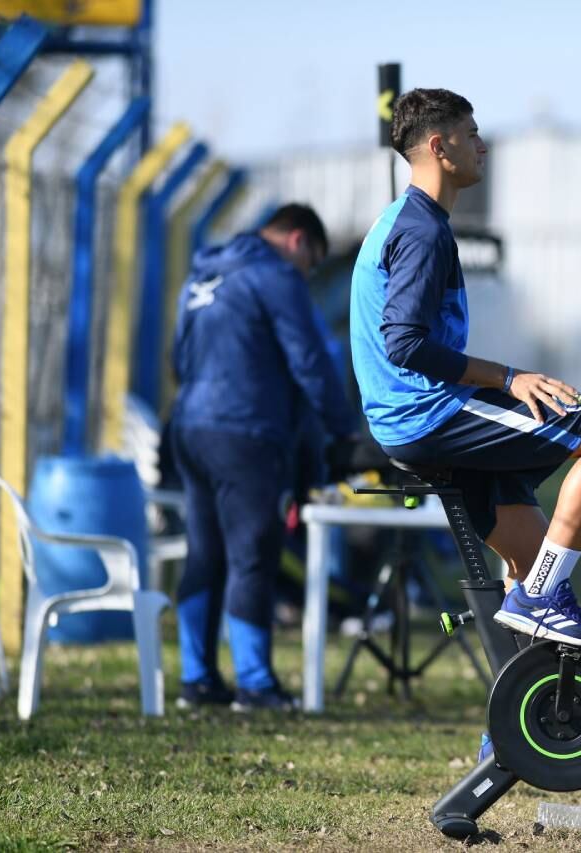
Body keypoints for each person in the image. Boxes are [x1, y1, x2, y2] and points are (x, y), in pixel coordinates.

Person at [350, 87, 581, 653]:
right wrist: (508, 378)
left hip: (415, 419)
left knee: (536, 562)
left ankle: (508, 738)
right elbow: (405, 344)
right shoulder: (421, 230)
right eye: (472, 134)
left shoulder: (408, 221)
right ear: (439, 145)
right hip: (426, 415)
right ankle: (540, 602)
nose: (483, 146)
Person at [169, 204, 357, 711]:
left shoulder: (202, 274)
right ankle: (254, 685)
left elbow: (177, 360)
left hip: (189, 427)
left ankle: (198, 680)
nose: (308, 274)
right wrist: (344, 432)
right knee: (252, 555)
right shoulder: (275, 275)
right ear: (298, 240)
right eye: (312, 262)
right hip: (245, 432)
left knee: (204, 554)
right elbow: (311, 361)